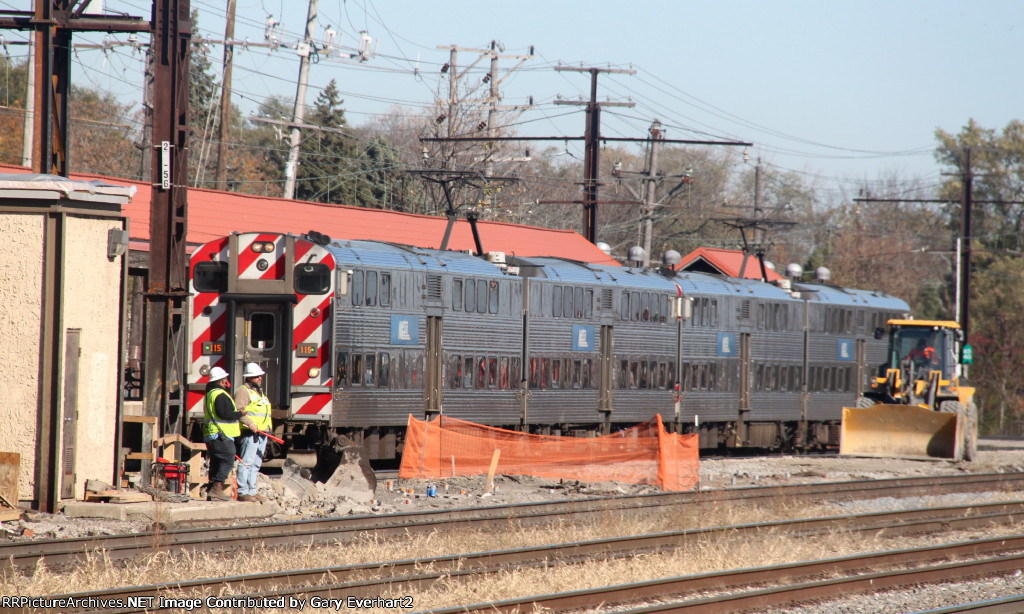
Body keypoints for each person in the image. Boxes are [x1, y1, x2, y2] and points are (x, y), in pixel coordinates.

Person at [202, 366, 254, 501]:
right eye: (225, 379)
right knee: (228, 459)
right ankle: (216, 487)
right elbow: (224, 413)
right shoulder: (220, 394)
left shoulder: (210, 393)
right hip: (221, 434)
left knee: (216, 462)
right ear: (221, 380)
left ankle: (212, 490)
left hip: (213, 434)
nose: (227, 381)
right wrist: (239, 414)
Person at [234, 362, 272, 502]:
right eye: (257, 376)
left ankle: (252, 491)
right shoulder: (244, 390)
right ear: (249, 378)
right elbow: (239, 410)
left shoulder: (258, 391)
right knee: (247, 462)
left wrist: (268, 429)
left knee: (256, 464)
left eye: (260, 376)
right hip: (251, 433)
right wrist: (250, 424)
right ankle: (243, 492)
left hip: (262, 433)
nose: (260, 378)